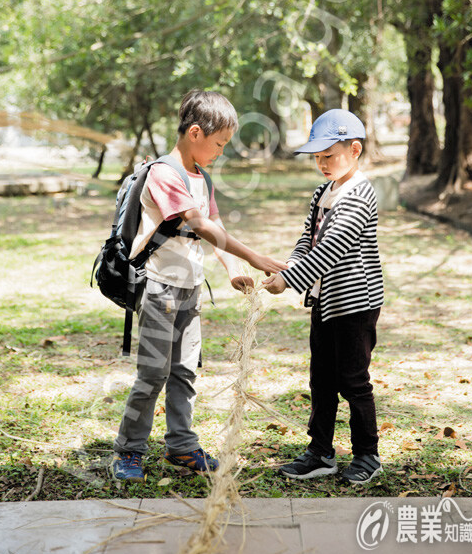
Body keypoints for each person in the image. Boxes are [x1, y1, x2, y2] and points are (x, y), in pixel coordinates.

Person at [112, 89, 287, 482]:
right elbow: (199, 224)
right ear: (195, 133)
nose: (221, 152)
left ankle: (182, 445)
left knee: (185, 372)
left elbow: (216, 225)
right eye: (219, 144)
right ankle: (129, 450)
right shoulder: (164, 173)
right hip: (160, 289)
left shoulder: (200, 176)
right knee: (153, 374)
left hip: (189, 290)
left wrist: (231, 267)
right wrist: (256, 257)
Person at [263, 109, 384, 485]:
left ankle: (367, 454)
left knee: (353, 380)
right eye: (317, 158)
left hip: (355, 305)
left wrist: (289, 281)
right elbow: (309, 240)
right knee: (321, 379)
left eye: (329, 156)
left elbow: (332, 248)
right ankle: (321, 452)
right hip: (325, 302)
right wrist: (289, 266)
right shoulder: (322, 193)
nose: (322, 164)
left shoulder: (360, 196)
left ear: (355, 149)